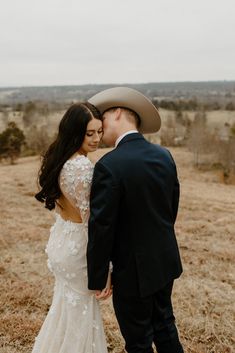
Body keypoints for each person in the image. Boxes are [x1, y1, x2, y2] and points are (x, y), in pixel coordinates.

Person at [87, 87, 184, 353]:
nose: (98, 127)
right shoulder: (164, 155)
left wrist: (98, 276)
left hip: (133, 271)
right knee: (165, 326)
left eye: (102, 119)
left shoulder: (109, 165)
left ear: (118, 113)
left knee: (138, 340)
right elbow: (170, 210)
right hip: (165, 261)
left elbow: (102, 227)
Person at [32, 102, 112, 353]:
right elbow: (93, 221)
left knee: (65, 310)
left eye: (100, 131)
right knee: (80, 317)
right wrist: (106, 267)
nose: (97, 138)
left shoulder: (59, 159)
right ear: (74, 132)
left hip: (61, 242)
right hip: (79, 250)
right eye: (90, 133)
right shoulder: (82, 168)